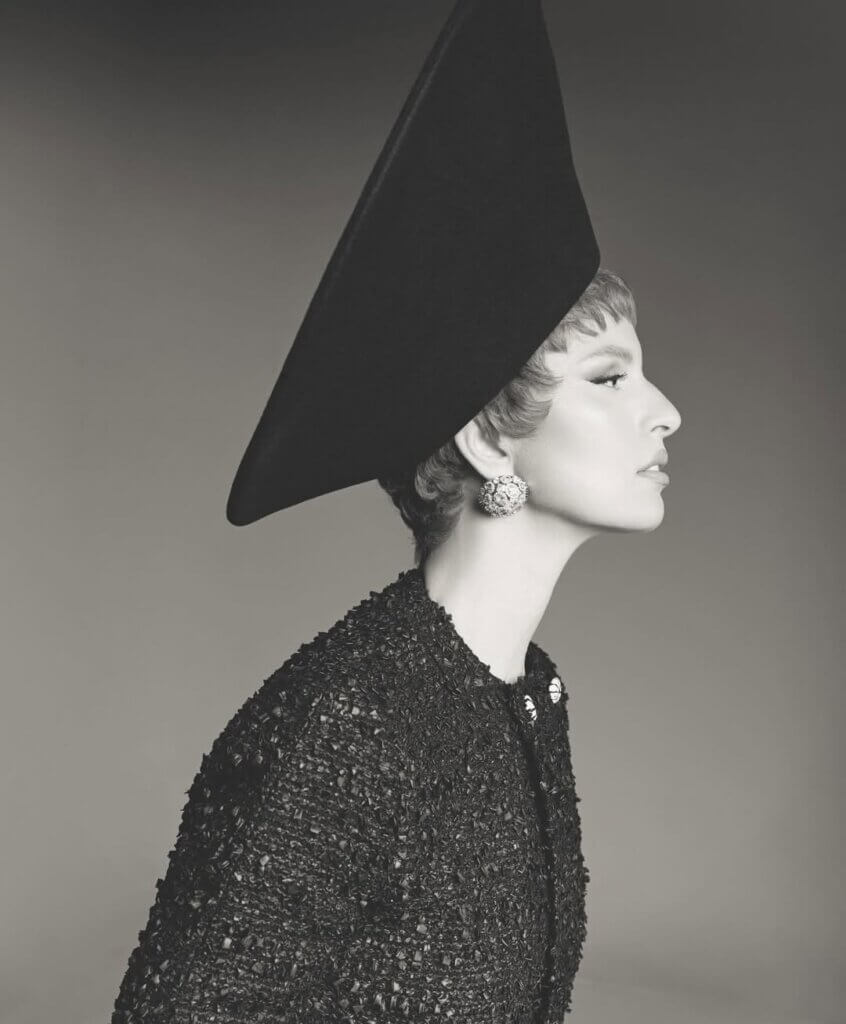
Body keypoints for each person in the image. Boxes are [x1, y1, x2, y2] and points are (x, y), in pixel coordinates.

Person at [110, 1, 681, 1022]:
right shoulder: (347, 718)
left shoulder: (528, 698)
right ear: (487, 438)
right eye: (608, 377)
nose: (666, 410)